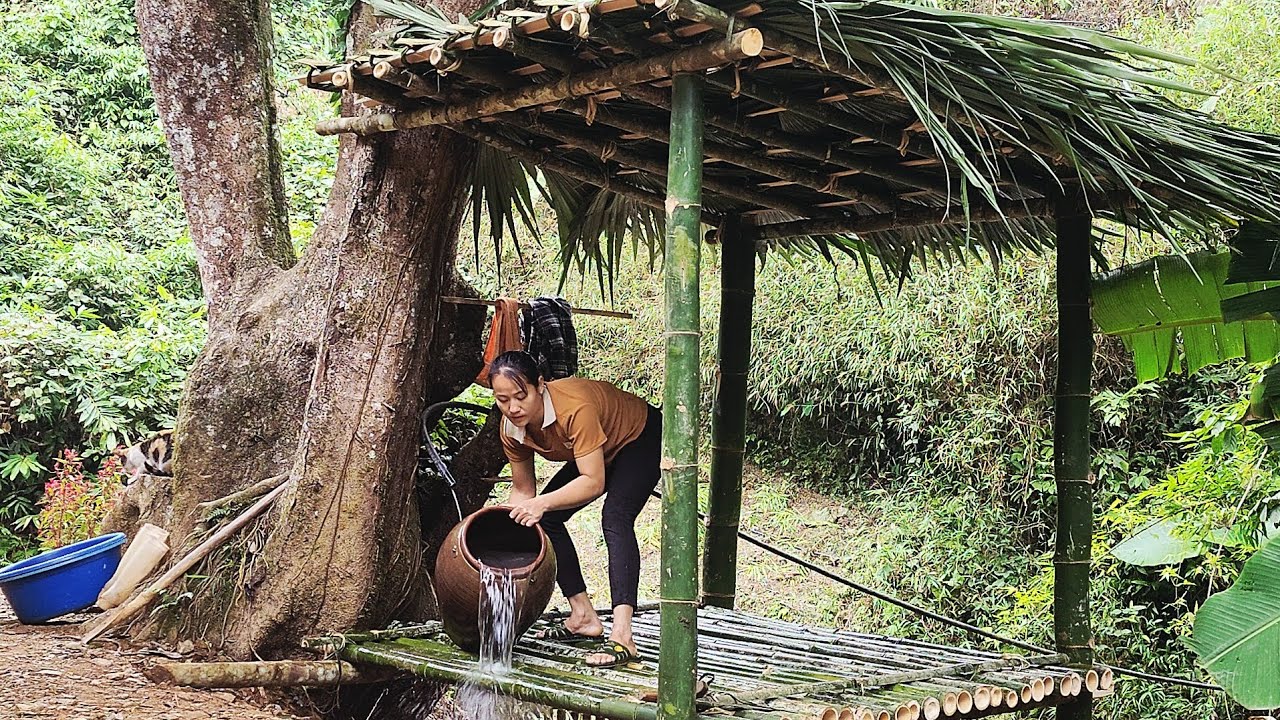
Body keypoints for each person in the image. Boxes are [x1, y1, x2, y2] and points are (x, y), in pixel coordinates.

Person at [488, 350, 661, 667]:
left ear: (540, 385)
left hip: (638, 436)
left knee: (615, 518)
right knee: (546, 520)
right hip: (597, 450)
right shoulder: (510, 429)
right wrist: (508, 531)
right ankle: (582, 616)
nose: (512, 408)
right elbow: (524, 489)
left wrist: (541, 503)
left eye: (520, 396)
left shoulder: (573, 408)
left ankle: (623, 637)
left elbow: (593, 481)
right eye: (502, 400)